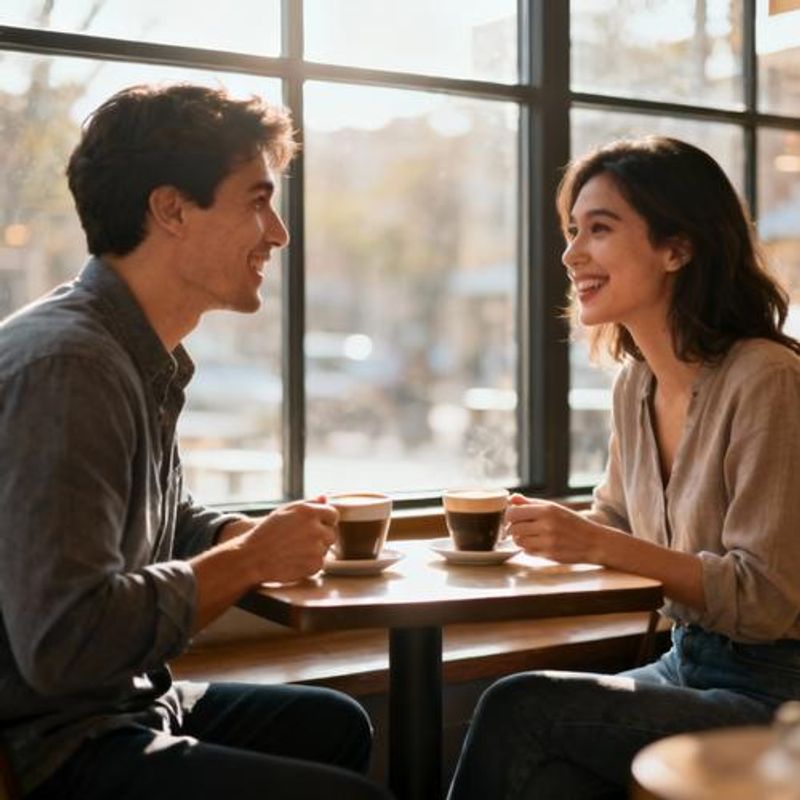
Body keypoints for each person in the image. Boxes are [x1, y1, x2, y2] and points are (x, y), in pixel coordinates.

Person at [0, 83, 391, 800]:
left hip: (122, 704)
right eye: (255, 200)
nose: (278, 233)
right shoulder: (70, 366)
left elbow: (153, 519)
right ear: (171, 209)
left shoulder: (131, 351)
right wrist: (245, 562)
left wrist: (239, 534)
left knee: (337, 726)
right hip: (49, 745)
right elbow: (66, 643)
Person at [448, 136, 800, 799]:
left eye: (599, 230)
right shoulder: (633, 386)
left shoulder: (768, 379)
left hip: (777, 696)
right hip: (684, 665)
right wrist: (516, 539)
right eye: (572, 231)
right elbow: (611, 520)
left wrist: (598, 542)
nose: (571, 253)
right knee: (551, 772)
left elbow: (765, 599)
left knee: (521, 707)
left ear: (678, 247)